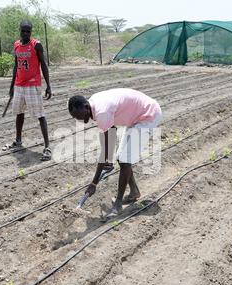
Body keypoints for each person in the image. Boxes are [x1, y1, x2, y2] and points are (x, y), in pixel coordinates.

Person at [68, 88, 162, 219]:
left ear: (85, 106)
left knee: (124, 159)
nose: (79, 119)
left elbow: (106, 147)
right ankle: (134, 192)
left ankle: (118, 204)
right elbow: (111, 132)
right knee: (122, 158)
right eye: (75, 117)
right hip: (136, 116)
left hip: (148, 115)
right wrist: (109, 160)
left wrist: (94, 183)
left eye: (79, 115)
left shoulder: (102, 111)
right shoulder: (93, 105)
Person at [4, 20, 52, 161]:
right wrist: (12, 86)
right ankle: (18, 141)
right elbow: (16, 66)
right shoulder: (17, 45)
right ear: (20, 31)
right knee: (19, 113)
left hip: (33, 85)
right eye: (23, 31)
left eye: (28, 31)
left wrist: (48, 85)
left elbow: (43, 65)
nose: (25, 33)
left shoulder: (36, 45)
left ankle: (47, 147)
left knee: (40, 115)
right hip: (19, 85)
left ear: (31, 32)